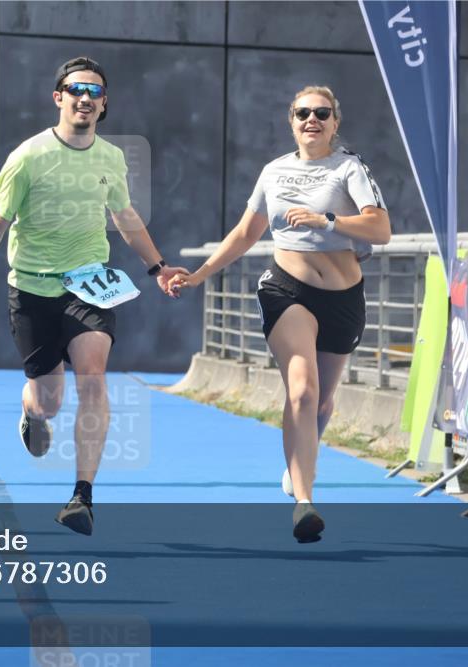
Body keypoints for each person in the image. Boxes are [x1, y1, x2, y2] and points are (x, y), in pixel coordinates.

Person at [0, 56, 186, 536]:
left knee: (94, 377)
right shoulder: (28, 156)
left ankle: (82, 496)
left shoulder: (111, 157)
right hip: (31, 287)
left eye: (94, 91)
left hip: (89, 284)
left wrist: (158, 268)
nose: (85, 97)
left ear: (103, 104)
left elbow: (125, 218)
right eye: (76, 89)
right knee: (48, 400)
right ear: (58, 97)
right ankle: (31, 412)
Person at [170, 85, 391, 543]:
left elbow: (381, 228)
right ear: (291, 121)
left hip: (344, 298)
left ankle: (298, 464)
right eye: (303, 113)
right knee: (303, 391)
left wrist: (329, 222)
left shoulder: (349, 167)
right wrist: (199, 274)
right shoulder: (274, 172)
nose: (312, 120)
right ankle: (305, 504)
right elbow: (246, 233)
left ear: (335, 122)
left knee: (323, 402)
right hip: (286, 290)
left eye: (322, 113)